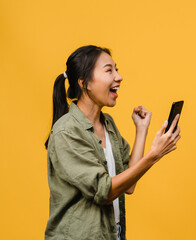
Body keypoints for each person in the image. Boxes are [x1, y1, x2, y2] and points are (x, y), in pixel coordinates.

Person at [44, 45, 181, 240]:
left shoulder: (107, 124)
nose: (119, 77)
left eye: (116, 69)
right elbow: (105, 191)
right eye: (109, 70)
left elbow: (128, 185)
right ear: (85, 83)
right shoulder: (66, 132)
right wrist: (154, 155)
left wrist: (141, 130)